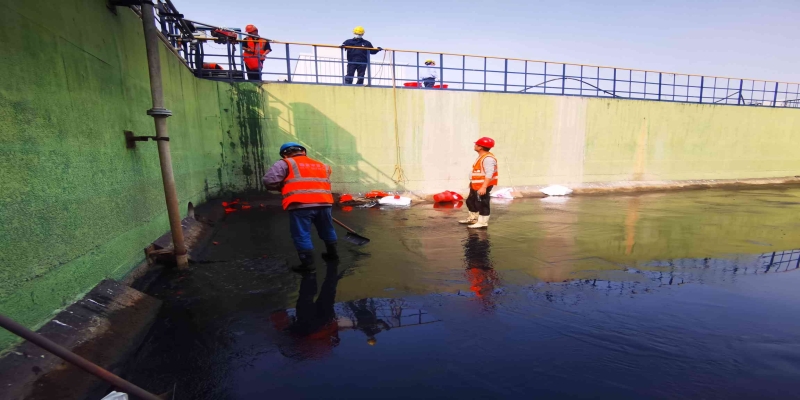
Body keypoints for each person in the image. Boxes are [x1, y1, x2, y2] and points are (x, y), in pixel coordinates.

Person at [262, 142, 338, 272]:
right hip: (324, 203)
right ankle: (333, 255)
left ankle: (308, 265)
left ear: (285, 154)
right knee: (327, 229)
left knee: (302, 234)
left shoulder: (285, 163)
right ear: (304, 152)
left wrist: (282, 187)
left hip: (300, 204)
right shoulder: (323, 165)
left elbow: (269, 181)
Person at [459, 137, 498, 228]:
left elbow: (489, 173)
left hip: (482, 185)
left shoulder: (488, 159)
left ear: (480, 147)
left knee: (482, 203)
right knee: (470, 201)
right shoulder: (482, 157)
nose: (475, 145)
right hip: (476, 184)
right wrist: (472, 182)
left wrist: (484, 187)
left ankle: (482, 222)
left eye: (476, 144)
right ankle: (473, 218)